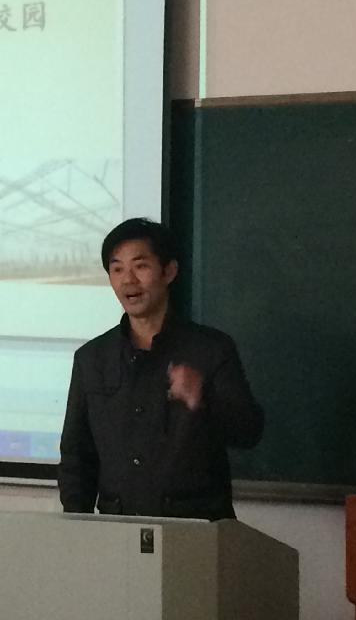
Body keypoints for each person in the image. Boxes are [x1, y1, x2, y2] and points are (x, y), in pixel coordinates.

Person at [58, 218, 263, 520]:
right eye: (117, 269)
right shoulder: (92, 359)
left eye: (140, 266)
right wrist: (78, 525)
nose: (128, 280)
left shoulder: (210, 349)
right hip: (119, 526)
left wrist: (202, 400)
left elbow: (249, 432)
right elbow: (77, 456)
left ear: (169, 272)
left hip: (197, 527)